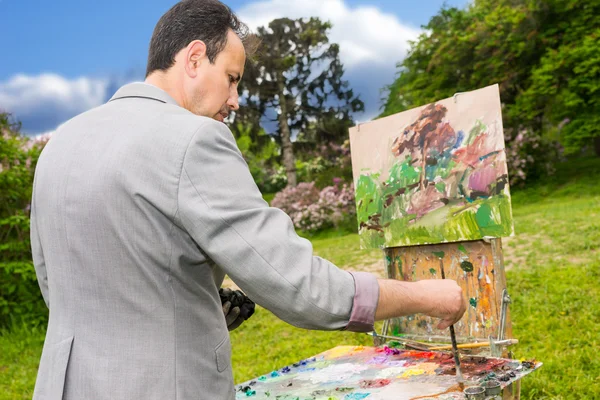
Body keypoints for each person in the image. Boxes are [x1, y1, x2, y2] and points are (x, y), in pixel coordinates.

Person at [30, 1, 466, 399]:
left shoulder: (61, 143)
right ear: (195, 58)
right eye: (232, 79)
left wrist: (194, 300)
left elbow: (63, 285)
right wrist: (427, 295)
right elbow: (303, 288)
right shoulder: (194, 138)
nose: (235, 101)